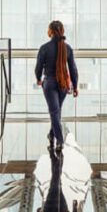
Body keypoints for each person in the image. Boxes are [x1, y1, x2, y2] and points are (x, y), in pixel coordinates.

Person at [35, 20, 78, 153]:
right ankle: (52, 135)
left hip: (49, 84)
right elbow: (73, 69)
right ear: (62, 31)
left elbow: (38, 67)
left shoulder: (44, 48)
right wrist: (75, 86)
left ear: (51, 31)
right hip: (64, 84)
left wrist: (38, 79)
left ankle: (59, 140)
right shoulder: (67, 48)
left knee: (54, 112)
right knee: (56, 111)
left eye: (48, 29)